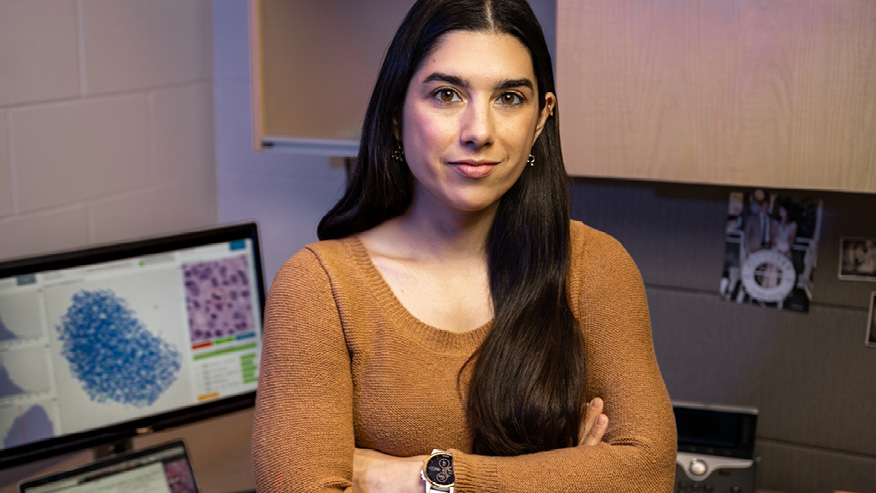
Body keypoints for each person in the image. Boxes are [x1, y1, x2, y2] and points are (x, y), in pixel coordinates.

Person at [252, 0, 677, 491]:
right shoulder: (319, 288)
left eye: (510, 98)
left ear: (542, 117)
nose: (479, 132)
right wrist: (567, 474)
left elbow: (647, 474)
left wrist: (425, 478)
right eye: (447, 94)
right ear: (395, 114)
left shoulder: (595, 267)